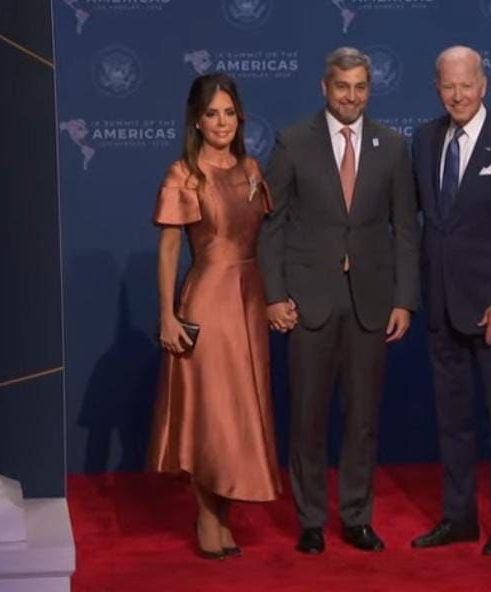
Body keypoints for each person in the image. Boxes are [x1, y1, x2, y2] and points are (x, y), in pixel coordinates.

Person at [257, 47, 419, 555]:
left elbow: (407, 230)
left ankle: (355, 516)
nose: (352, 97)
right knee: (307, 414)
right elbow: (271, 225)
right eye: (343, 87)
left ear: (370, 90)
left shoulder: (391, 144)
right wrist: (275, 295)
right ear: (325, 88)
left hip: (371, 301)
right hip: (308, 301)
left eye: (361, 88)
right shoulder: (292, 142)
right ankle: (309, 519)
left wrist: (404, 300)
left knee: (363, 418)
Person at [410, 46, 491, 556]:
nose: (458, 95)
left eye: (467, 84)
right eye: (448, 85)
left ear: (483, 84)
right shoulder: (422, 141)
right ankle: (459, 516)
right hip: (441, 307)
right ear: (437, 88)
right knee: (453, 421)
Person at [146, 73, 281, 560]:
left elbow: (268, 240)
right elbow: (166, 251)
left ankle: (223, 516)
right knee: (210, 414)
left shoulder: (251, 168)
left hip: (249, 299)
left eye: (228, 112)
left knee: (241, 413)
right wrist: (167, 314)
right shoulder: (183, 173)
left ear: (239, 117)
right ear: (196, 121)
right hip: (206, 299)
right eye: (211, 114)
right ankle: (206, 515)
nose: (221, 122)